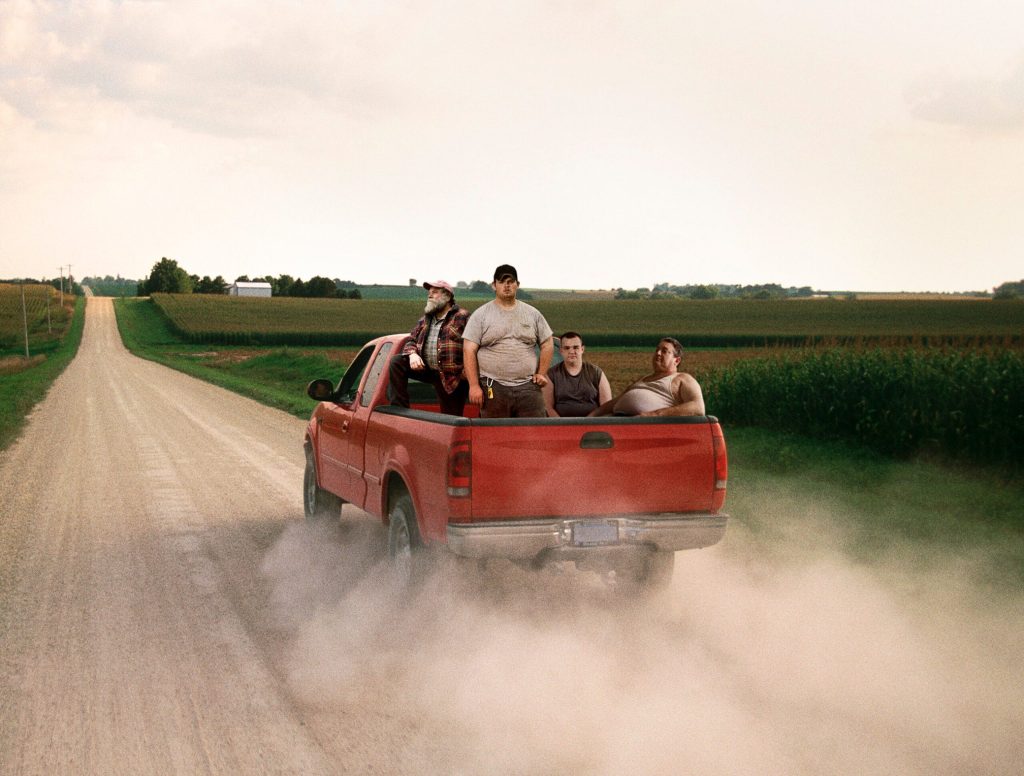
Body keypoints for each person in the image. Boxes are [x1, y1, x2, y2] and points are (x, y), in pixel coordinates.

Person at [463, 264, 554, 418]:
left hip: (528, 387)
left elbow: (547, 343)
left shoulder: (533, 314)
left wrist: (542, 373)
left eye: (511, 281)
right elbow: (468, 349)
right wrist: (473, 386)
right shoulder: (481, 315)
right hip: (493, 386)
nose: (506, 285)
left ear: (517, 285)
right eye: (502, 281)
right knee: (494, 435)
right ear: (494, 285)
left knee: (535, 434)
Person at [388, 280, 469, 416]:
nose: (429, 296)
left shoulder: (463, 317)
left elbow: (475, 345)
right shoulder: (425, 319)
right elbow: (411, 340)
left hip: (451, 376)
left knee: (450, 420)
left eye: (435, 292)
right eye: (429, 293)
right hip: (427, 369)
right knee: (397, 362)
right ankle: (399, 410)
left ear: (448, 297)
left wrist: (467, 369)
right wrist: (412, 354)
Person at [589, 337, 705, 417]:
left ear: (677, 360)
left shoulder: (682, 379)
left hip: (645, 429)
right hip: (616, 422)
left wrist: (654, 415)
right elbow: (615, 402)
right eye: (657, 350)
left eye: (664, 351)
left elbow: (698, 408)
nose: (658, 353)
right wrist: (591, 416)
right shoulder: (643, 380)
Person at [543, 331, 612, 417]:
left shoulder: (596, 372)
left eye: (575, 347)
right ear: (561, 351)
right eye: (567, 348)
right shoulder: (551, 374)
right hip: (562, 426)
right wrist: (561, 426)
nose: (571, 351)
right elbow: (548, 408)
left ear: (582, 349)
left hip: (592, 424)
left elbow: (606, 407)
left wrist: (590, 422)